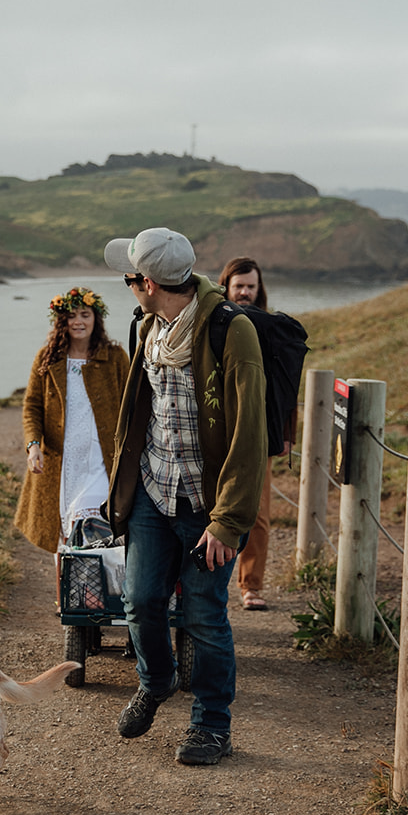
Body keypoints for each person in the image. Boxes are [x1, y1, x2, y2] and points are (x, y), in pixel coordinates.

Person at [103, 228, 267, 765]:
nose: (127, 286)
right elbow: (140, 413)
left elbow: (249, 434)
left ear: (147, 282)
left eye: (130, 277)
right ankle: (156, 681)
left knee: (203, 614)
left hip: (207, 504)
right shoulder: (147, 326)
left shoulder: (229, 330)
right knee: (141, 601)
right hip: (154, 489)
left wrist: (227, 522)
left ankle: (211, 725)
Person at [15, 287, 131, 552]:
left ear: (96, 319)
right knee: (65, 539)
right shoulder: (47, 358)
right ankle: (68, 592)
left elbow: (131, 404)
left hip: (102, 462)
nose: (78, 321)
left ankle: (96, 592)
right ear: (62, 321)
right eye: (72, 316)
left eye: (85, 314)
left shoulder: (114, 358)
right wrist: (33, 445)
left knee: (96, 531)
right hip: (63, 464)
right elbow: (31, 406)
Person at [218, 256, 291, 611]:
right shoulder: (212, 322)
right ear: (227, 288)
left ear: (259, 288)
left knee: (258, 514)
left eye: (251, 286)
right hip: (216, 431)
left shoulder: (273, 329)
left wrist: (287, 431)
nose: (245, 292)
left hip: (258, 434)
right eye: (239, 287)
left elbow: (285, 386)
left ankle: (251, 586)